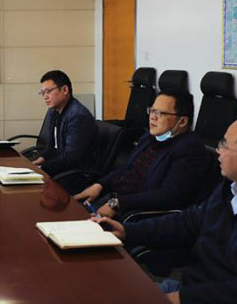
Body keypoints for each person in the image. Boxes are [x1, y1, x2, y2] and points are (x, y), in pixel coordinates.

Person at [98, 115, 237, 304]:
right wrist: (128, 231)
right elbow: (188, 222)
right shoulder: (230, 189)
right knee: (101, 297)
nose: (218, 150)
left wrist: (184, 299)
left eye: (224, 144)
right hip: (187, 290)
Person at [74, 90, 209, 217]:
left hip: (134, 214)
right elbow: (127, 168)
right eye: (152, 111)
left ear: (182, 121)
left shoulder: (190, 150)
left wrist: (117, 203)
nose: (152, 117)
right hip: (113, 199)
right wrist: (99, 185)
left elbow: (168, 196)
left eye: (160, 113)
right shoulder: (148, 138)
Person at [32, 70, 99, 177]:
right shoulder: (54, 112)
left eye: (48, 91)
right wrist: (40, 160)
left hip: (76, 175)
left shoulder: (78, 116)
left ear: (65, 90)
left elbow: (71, 158)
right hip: (63, 169)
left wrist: (42, 169)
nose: (45, 96)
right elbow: (52, 147)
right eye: (42, 93)